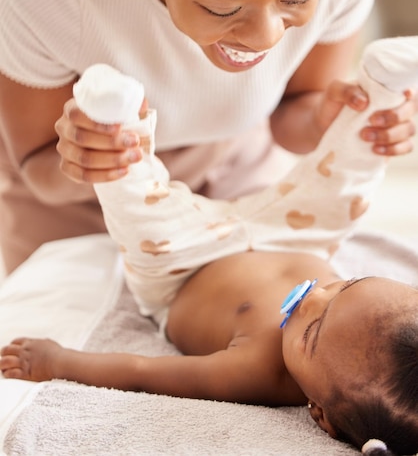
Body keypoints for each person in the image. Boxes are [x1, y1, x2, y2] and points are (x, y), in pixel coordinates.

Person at [0, 0, 417, 274]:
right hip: (84, 196)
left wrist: (332, 122)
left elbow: (293, 111)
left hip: (236, 160)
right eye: (223, 7)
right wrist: (89, 159)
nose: (265, 38)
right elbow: (36, 165)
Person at [1, 37, 418, 456]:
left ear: (320, 414)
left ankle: (113, 122)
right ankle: (382, 91)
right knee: (345, 189)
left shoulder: (258, 372)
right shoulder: (372, 323)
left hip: (187, 259)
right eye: (347, 285)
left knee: (138, 208)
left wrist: (57, 362)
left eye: (311, 332)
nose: (314, 295)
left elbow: (143, 371)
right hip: (294, 234)